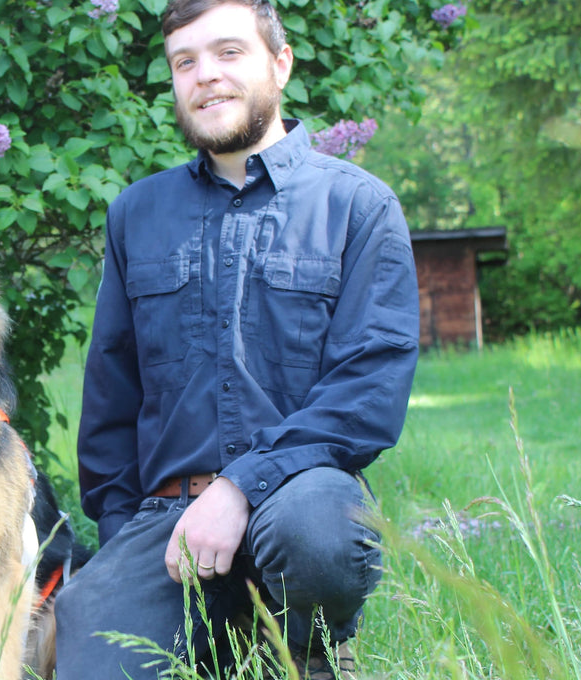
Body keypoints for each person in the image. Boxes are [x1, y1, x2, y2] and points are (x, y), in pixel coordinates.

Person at [53, 1, 420, 678]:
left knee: (314, 534)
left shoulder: (357, 207)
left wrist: (238, 488)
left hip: (298, 497)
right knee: (88, 649)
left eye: (228, 53)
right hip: (168, 521)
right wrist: (119, 541)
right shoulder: (136, 213)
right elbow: (112, 388)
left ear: (278, 64)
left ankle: (304, 649)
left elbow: (368, 388)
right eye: (183, 62)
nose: (205, 77)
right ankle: (209, 636)